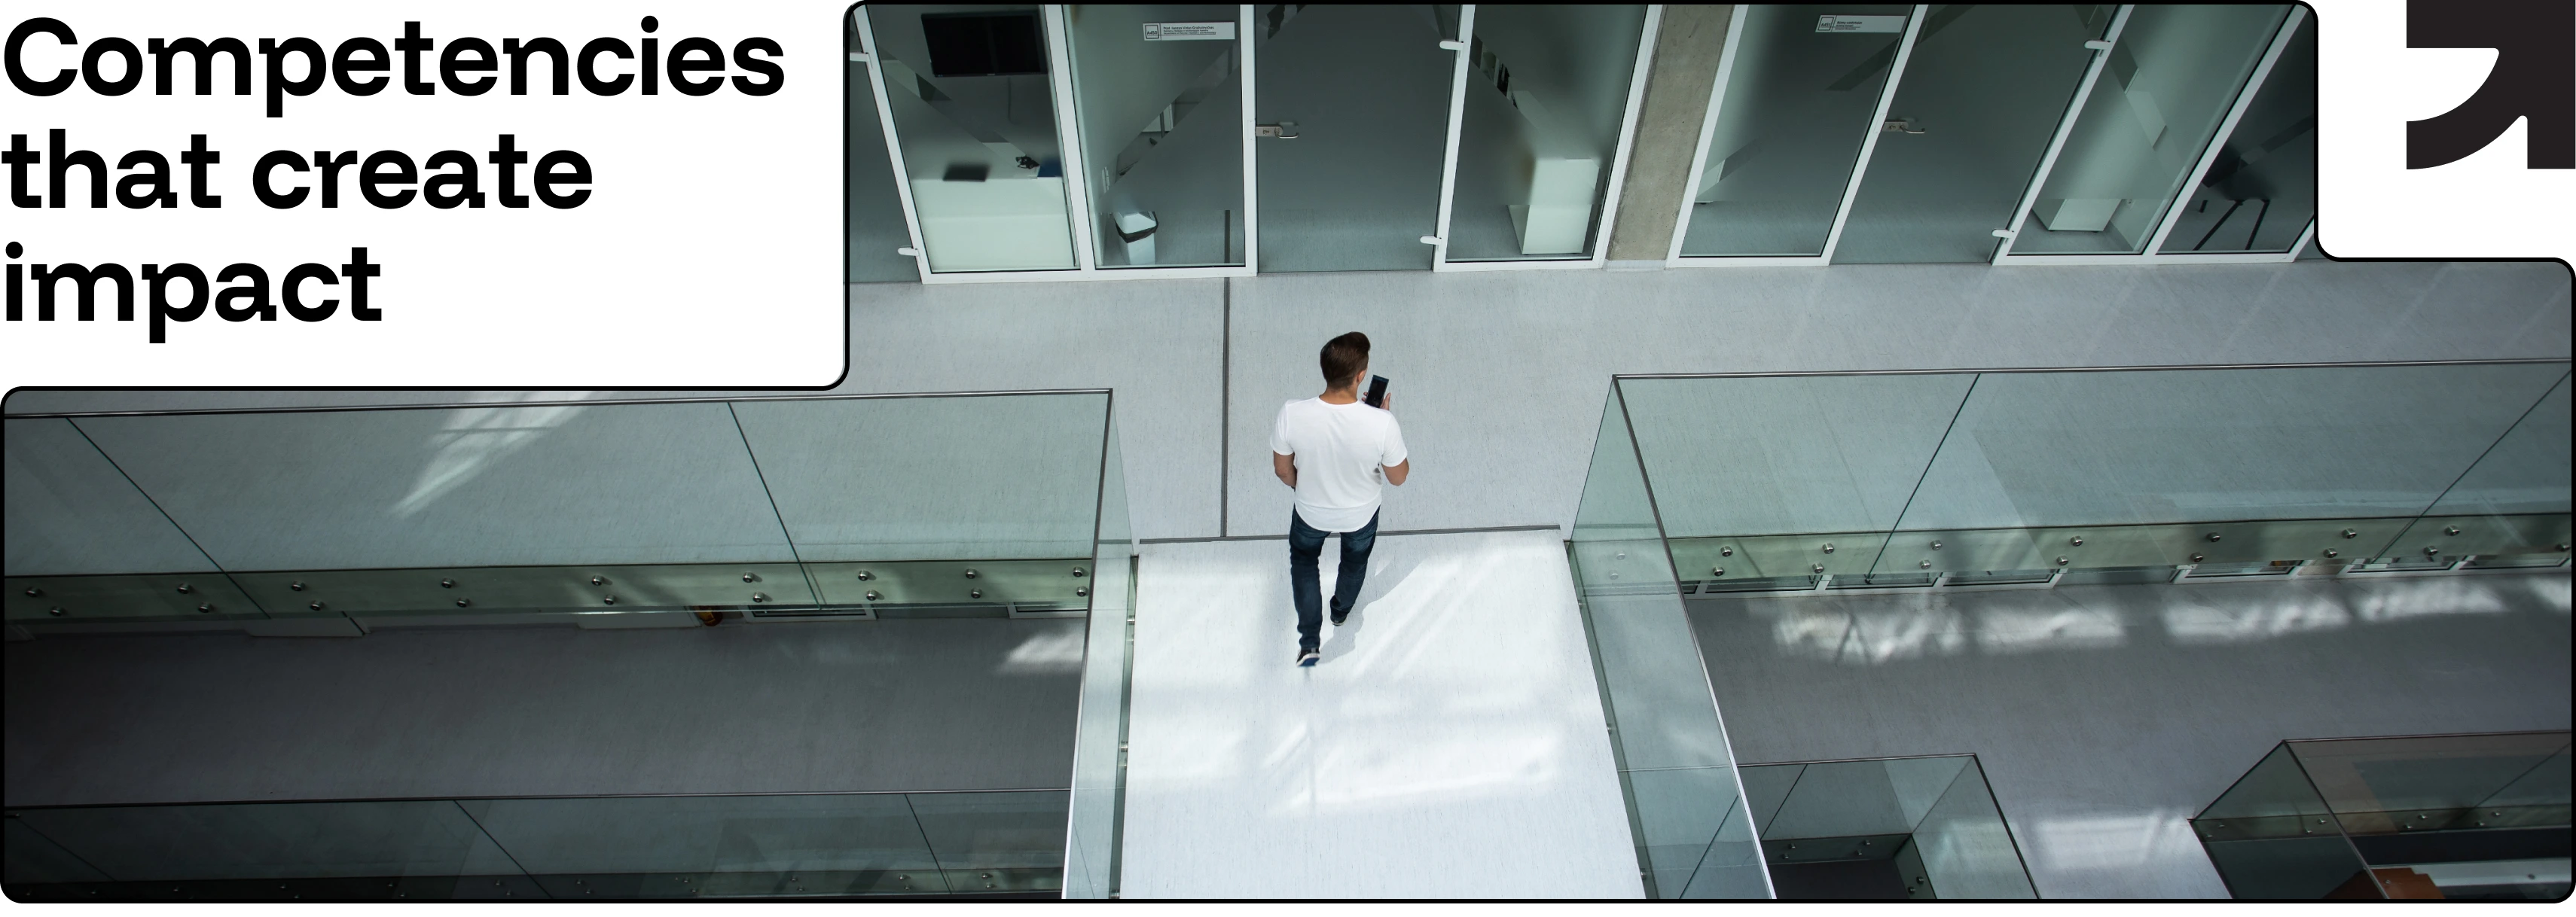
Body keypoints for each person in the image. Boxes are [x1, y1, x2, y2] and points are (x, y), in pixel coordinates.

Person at [1271, 332, 1409, 668]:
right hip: (1360, 515)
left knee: (1304, 564)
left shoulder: (1292, 413)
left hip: (1309, 512)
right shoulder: (1382, 423)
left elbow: (1282, 470)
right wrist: (1383, 420)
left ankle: (1309, 641)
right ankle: (1340, 612)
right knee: (1354, 562)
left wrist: (1299, 488)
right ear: (1361, 377)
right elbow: (1398, 477)